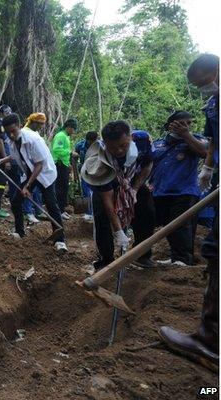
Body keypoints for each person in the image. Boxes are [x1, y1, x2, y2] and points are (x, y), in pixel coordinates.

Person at [158, 53, 219, 372]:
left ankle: (210, 341)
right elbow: (215, 144)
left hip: (187, 192)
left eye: (203, 83)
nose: (203, 90)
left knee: (213, 249)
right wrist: (209, 168)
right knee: (213, 250)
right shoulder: (214, 105)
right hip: (194, 186)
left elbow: (204, 143)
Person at [81, 121, 154, 271]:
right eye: (113, 148)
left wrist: (134, 189)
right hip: (107, 181)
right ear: (105, 143)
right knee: (102, 218)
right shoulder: (97, 160)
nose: (119, 150)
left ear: (130, 137)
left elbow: (148, 164)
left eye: (123, 145)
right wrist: (119, 231)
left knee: (147, 211)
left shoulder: (143, 140)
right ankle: (106, 260)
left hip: (133, 178)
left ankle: (142, 254)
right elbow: (108, 201)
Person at [0, 114, 67, 252]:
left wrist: (27, 186)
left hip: (45, 173)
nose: (11, 135)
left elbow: (39, 165)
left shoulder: (33, 139)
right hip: (32, 172)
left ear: (19, 126)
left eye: (13, 131)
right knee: (15, 201)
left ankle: (60, 240)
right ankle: (20, 231)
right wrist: (0, 161)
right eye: (8, 132)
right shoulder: (13, 140)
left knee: (51, 204)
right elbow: (15, 155)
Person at [151, 111, 207, 266]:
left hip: (184, 191)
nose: (186, 126)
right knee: (168, 226)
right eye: (182, 123)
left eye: (189, 123)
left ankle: (183, 259)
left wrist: (186, 135)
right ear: (170, 125)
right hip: (161, 192)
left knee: (181, 226)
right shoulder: (158, 144)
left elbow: (205, 152)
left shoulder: (196, 140)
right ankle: (176, 257)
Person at [20, 112, 48, 224]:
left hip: (37, 166)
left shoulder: (34, 133)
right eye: (40, 124)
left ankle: (38, 210)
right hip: (28, 166)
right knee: (28, 188)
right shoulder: (25, 132)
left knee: (36, 189)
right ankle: (28, 212)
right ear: (33, 122)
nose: (41, 126)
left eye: (43, 124)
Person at [51, 118, 78, 220]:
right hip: (59, 164)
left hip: (64, 164)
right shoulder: (60, 136)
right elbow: (56, 149)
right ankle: (58, 211)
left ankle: (62, 209)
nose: (73, 131)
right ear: (69, 127)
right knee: (60, 189)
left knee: (64, 188)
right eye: (73, 129)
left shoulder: (66, 136)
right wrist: (70, 152)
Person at [74, 131, 99, 222]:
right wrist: (75, 172)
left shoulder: (101, 146)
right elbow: (74, 158)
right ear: (87, 140)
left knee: (96, 192)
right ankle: (88, 213)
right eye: (91, 141)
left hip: (96, 172)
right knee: (86, 192)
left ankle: (96, 213)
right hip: (84, 171)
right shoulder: (80, 146)